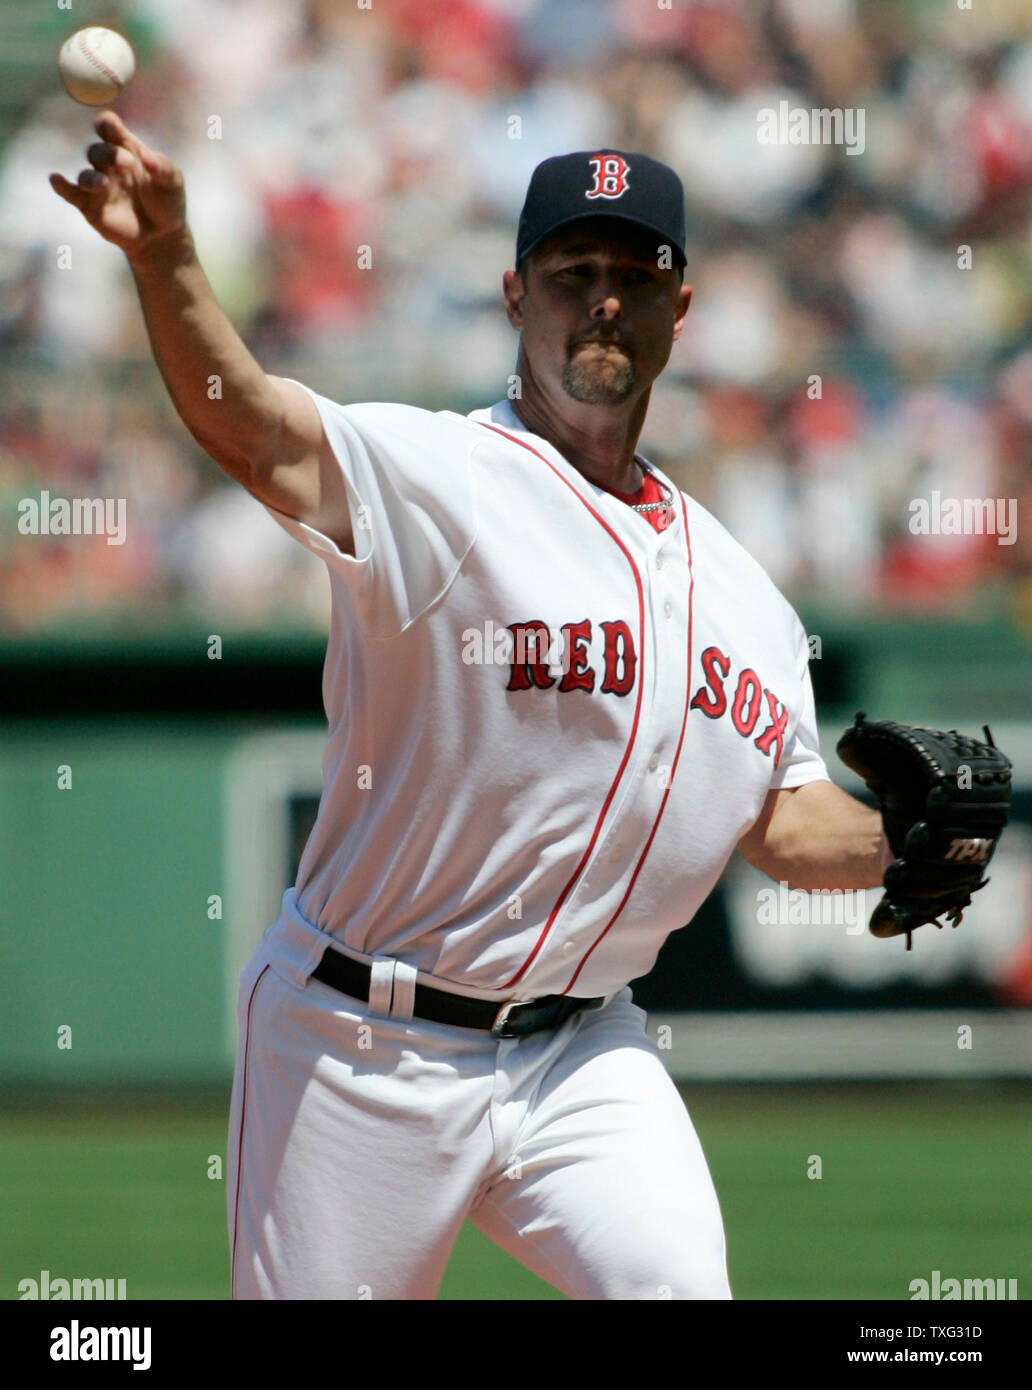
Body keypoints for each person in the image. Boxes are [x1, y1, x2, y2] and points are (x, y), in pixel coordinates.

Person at [52, 119, 892, 1300]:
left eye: (636, 277)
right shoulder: (440, 479)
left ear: (680, 308)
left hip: (582, 1051)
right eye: (574, 275)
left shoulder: (743, 594)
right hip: (361, 1044)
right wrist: (167, 258)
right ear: (515, 294)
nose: (605, 303)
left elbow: (787, 823)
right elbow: (247, 424)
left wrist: (908, 836)